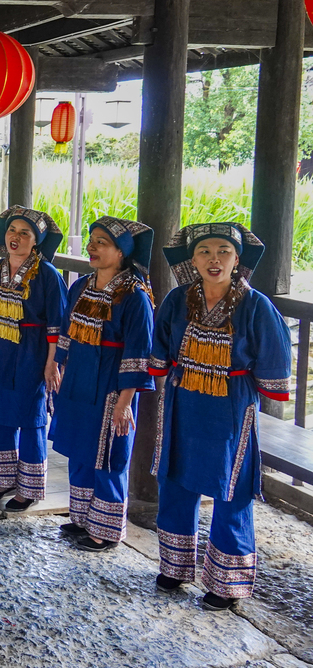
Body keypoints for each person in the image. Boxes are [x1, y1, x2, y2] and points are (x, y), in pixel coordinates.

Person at [150, 223, 291, 610]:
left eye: (224, 251)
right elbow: (160, 348)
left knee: (232, 487)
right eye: (205, 252)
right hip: (182, 400)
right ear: (192, 259)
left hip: (231, 406)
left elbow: (274, 362)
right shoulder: (178, 300)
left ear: (237, 258)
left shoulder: (256, 304)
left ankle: (227, 582)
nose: (214, 259)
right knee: (176, 478)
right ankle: (175, 566)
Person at [51, 216, 155, 552]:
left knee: (108, 453)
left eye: (102, 242)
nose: (93, 247)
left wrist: (125, 402)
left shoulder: (135, 297)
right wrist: (58, 365)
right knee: (79, 448)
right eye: (92, 240)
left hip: (111, 382)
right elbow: (67, 331)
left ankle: (106, 529)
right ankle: (81, 517)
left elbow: (138, 352)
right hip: (78, 375)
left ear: (121, 252)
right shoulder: (80, 286)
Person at [0, 206, 68, 512]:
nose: (16, 237)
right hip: (0, 349)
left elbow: (57, 325)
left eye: (25, 233)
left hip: (33, 351)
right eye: (12, 231)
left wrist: (51, 363)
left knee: (30, 417)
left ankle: (29, 487)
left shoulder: (48, 275)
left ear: (37, 240)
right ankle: (5, 479)